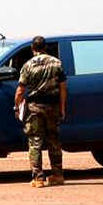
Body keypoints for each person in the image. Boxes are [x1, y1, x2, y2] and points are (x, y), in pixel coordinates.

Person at [14, 35, 68, 188]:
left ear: (33, 48)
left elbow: (20, 90)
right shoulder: (57, 63)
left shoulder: (28, 65)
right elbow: (63, 87)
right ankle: (57, 175)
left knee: (35, 142)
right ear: (45, 48)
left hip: (35, 108)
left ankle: (38, 178)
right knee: (54, 141)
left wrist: (17, 107)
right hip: (53, 106)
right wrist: (62, 107)